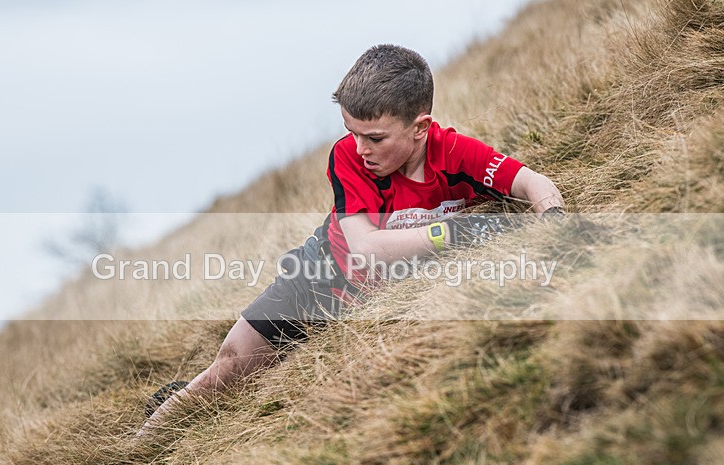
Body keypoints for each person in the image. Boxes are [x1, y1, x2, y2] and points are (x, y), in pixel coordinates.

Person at [138, 44, 564, 435]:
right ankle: (144, 436)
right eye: (352, 131)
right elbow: (365, 249)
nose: (360, 147)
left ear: (420, 128)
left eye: (375, 137)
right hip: (317, 277)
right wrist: (453, 233)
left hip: (376, 302)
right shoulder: (348, 158)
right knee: (230, 367)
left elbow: (534, 184)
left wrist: (554, 225)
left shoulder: (457, 155)